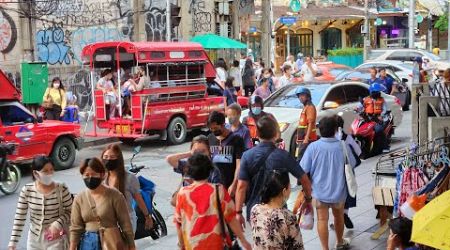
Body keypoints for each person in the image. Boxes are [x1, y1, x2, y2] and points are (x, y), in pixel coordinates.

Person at [235, 115, 312, 223]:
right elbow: (305, 180)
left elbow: (241, 187)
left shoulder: (247, 156)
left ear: (257, 134)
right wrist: (308, 199)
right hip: (278, 212)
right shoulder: (283, 156)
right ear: (276, 133)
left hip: (255, 213)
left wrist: (238, 212)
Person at [174, 154, 252, 250]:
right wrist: (243, 241)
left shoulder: (182, 193)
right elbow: (231, 218)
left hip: (192, 245)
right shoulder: (218, 190)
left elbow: (178, 223)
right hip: (216, 244)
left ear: (190, 172)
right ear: (209, 170)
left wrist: (182, 245)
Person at [300, 116, 351, 250]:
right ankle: (339, 242)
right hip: (339, 192)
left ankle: (325, 248)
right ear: (335, 129)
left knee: (322, 219)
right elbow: (352, 164)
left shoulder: (313, 147)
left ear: (318, 130)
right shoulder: (342, 146)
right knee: (339, 217)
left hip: (319, 192)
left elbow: (303, 169)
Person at [70, 158, 135, 250]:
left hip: (112, 242)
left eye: (93, 174)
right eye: (86, 175)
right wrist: (72, 247)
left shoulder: (115, 195)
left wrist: (131, 246)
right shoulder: (79, 198)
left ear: (101, 174)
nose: (90, 178)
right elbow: (75, 227)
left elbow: (125, 223)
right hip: (88, 244)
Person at [9, 156, 72, 250]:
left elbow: (71, 211)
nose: (50, 173)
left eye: (51, 170)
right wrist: (13, 242)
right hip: (34, 240)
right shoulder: (27, 190)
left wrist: (57, 224)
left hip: (56, 238)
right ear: (35, 173)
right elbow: (20, 217)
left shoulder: (61, 188)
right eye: (45, 171)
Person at [101, 144, 153, 233]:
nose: (108, 159)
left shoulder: (130, 178)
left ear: (118, 159)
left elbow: (138, 199)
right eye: (106, 157)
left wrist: (147, 216)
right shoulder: (102, 178)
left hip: (127, 221)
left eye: (112, 157)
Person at [251, 170, 305, 250]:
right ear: (284, 191)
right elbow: (297, 247)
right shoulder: (287, 217)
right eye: (289, 185)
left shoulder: (255, 209)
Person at [207, 111, 245, 197]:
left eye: (215, 128)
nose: (213, 131)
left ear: (223, 124)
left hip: (230, 185)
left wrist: (234, 185)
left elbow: (239, 164)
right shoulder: (210, 138)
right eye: (211, 128)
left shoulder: (236, 139)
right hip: (214, 187)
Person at [334, 115, 362, 229]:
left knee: (337, 195)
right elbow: (358, 152)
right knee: (349, 192)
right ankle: (345, 214)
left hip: (335, 172)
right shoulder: (348, 138)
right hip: (349, 170)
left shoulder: (331, 140)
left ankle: (337, 217)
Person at [357, 83, 390, 152]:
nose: (377, 93)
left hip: (379, 119)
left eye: (378, 92)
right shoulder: (366, 99)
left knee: (378, 130)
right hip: (368, 119)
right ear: (371, 92)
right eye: (375, 92)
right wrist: (358, 110)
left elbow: (385, 110)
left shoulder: (382, 100)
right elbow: (359, 107)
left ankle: (385, 146)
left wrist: (381, 116)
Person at [295, 86, 318, 161]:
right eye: (299, 96)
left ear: (307, 96)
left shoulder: (310, 107)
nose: (300, 98)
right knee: (300, 158)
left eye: (302, 95)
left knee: (301, 159)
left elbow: (310, 123)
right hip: (302, 139)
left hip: (308, 139)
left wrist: (306, 138)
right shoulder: (305, 107)